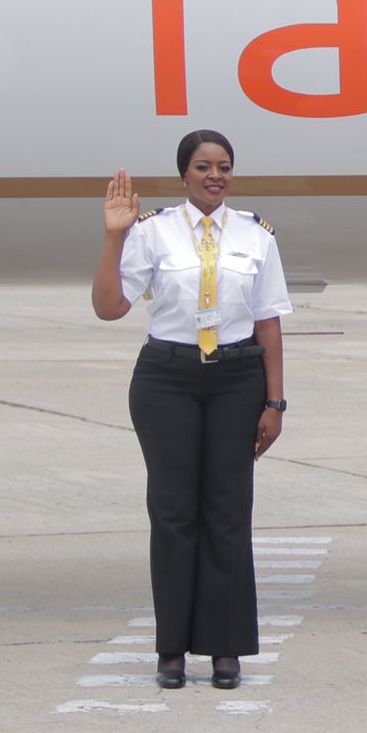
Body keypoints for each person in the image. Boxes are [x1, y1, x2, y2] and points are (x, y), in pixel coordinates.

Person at [90, 130, 291, 690]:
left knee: (228, 513)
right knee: (173, 513)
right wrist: (114, 238)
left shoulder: (256, 235)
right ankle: (172, 649)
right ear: (184, 175)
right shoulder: (151, 231)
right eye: (203, 166)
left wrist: (275, 402)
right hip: (167, 380)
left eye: (224, 166)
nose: (215, 176)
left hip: (236, 379)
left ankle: (226, 649)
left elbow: (268, 322)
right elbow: (109, 307)